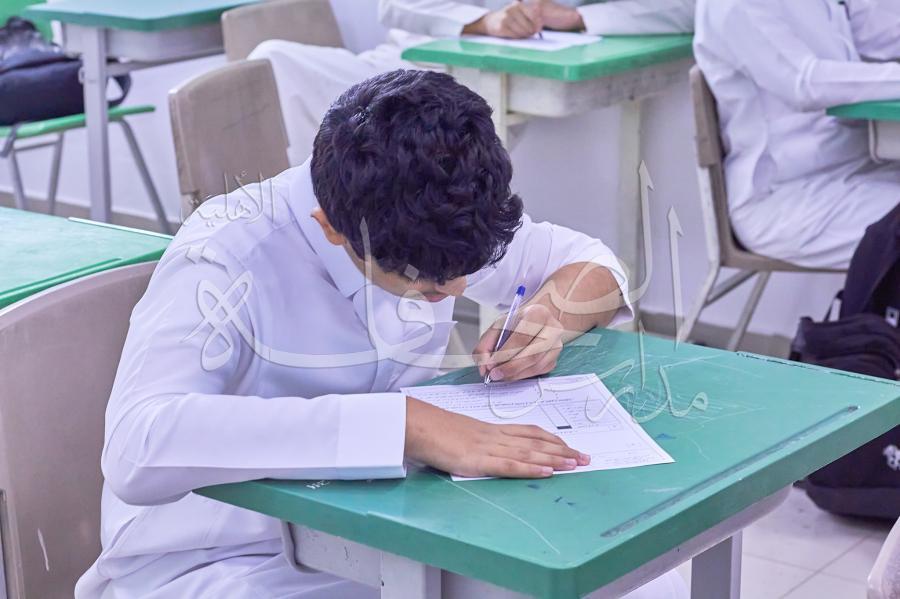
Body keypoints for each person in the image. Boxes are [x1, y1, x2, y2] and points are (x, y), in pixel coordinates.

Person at [76, 70, 686, 597]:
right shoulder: (226, 254)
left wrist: (549, 315)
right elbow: (138, 444)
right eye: (426, 282)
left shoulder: (438, 204)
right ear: (331, 228)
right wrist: (406, 425)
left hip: (388, 538)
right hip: (222, 563)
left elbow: (594, 265)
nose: (454, 290)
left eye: (465, 271)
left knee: (651, 582)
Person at [252, 0, 695, 164]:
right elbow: (394, 6)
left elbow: (690, 9)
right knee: (273, 60)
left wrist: (579, 16)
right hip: (404, 65)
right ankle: (305, 224)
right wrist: (483, 20)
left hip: (482, 87)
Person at [694, 0, 900, 269]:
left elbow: (877, 32)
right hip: (786, 199)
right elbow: (804, 84)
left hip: (862, 168)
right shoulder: (731, 5)